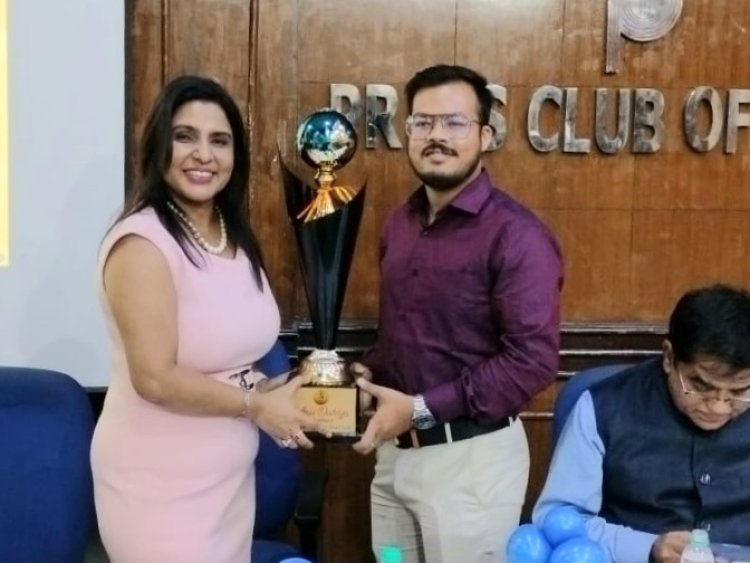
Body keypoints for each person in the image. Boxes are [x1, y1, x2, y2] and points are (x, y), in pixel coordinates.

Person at [90, 75, 326, 563]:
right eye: (185, 137)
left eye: (219, 140)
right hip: (157, 487)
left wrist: (306, 383)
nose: (203, 154)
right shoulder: (142, 243)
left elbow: (233, 364)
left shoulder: (230, 232)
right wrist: (257, 407)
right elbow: (155, 378)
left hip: (228, 487)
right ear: (159, 145)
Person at [350, 64, 564, 563]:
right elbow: (409, 336)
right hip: (394, 458)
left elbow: (532, 361)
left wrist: (421, 408)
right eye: (423, 123)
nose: (436, 136)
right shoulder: (400, 224)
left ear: (485, 135)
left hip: (472, 468)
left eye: (454, 122)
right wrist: (366, 373)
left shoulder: (517, 236)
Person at [533, 284, 750, 563]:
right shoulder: (604, 407)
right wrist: (647, 548)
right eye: (700, 386)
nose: (719, 406)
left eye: (739, 391)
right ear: (669, 358)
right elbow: (557, 521)